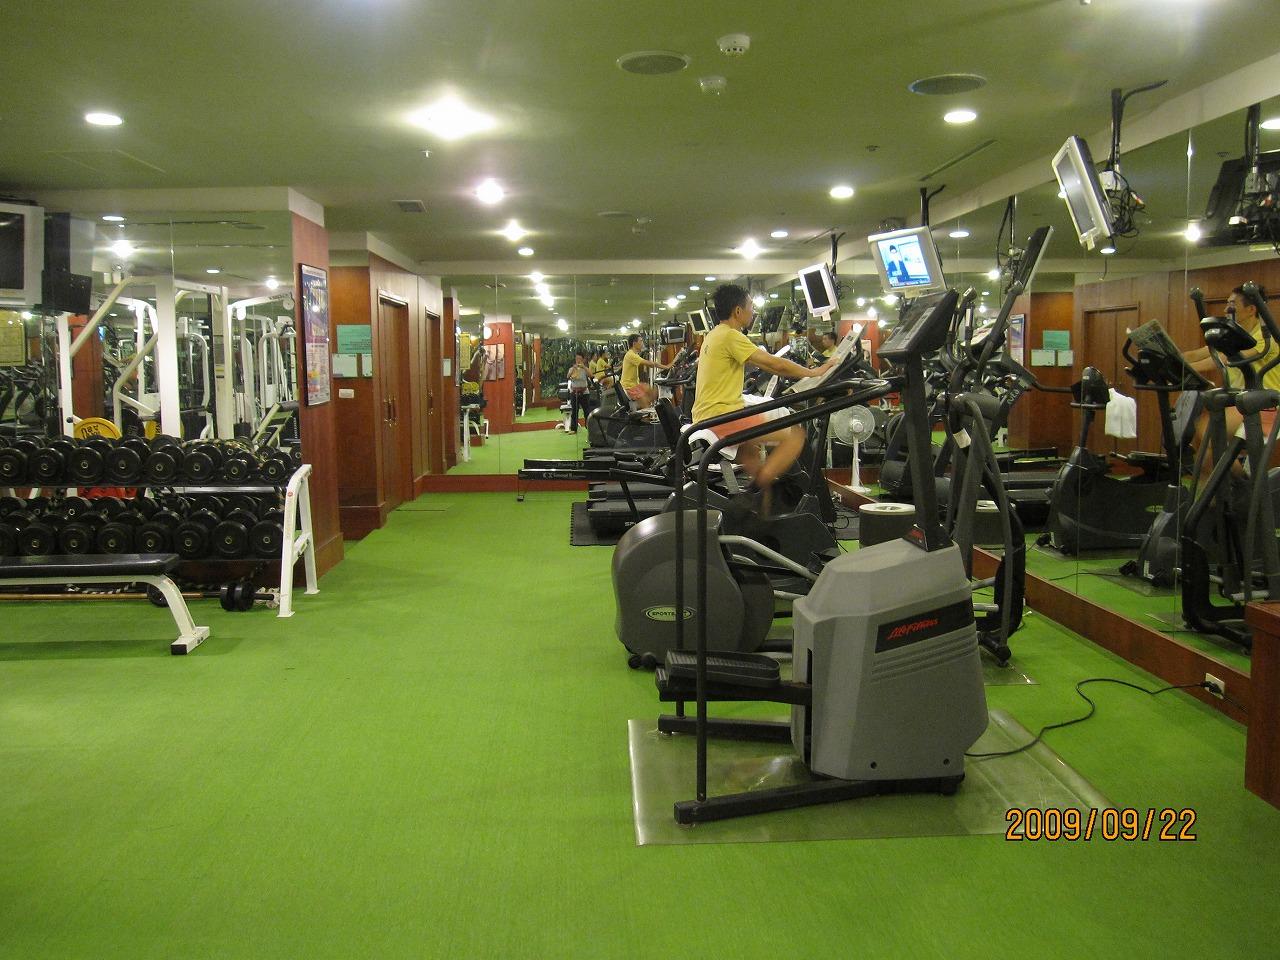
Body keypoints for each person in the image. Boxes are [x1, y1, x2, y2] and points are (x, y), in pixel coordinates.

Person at [693, 284, 837, 515]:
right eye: (751, 306)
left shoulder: (714, 334)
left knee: (753, 456)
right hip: (722, 416)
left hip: (708, 414)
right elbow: (774, 364)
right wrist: (814, 372)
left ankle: (761, 517)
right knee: (795, 436)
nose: (753, 312)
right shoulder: (730, 335)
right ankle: (750, 497)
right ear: (738, 311)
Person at [1181, 285, 1279, 475]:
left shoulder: (1264, 338)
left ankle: (1244, 485)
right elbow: (1197, 354)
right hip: (1243, 402)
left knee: (1208, 432)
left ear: (1251, 309)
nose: (1226, 309)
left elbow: (1224, 359)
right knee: (1205, 457)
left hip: (1267, 405)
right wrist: (1169, 358)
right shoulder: (1234, 336)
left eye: (1232, 304)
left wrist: (1187, 369)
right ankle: (1240, 486)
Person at [620, 334, 670, 408]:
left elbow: (650, 365)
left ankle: (647, 406)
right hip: (628, 387)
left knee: (652, 390)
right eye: (641, 341)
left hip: (635, 384)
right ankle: (645, 408)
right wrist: (667, 366)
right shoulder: (631, 355)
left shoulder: (634, 354)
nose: (642, 343)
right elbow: (651, 364)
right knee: (645, 402)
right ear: (634, 343)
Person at [566, 351, 593, 433]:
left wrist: (584, 367)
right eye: (577, 359)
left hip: (584, 392)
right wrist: (573, 370)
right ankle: (573, 429)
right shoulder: (572, 369)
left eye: (580, 359)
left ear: (583, 360)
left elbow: (591, 375)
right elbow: (568, 376)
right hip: (574, 392)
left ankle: (590, 428)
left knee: (587, 411)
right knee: (574, 411)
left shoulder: (585, 369)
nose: (578, 361)